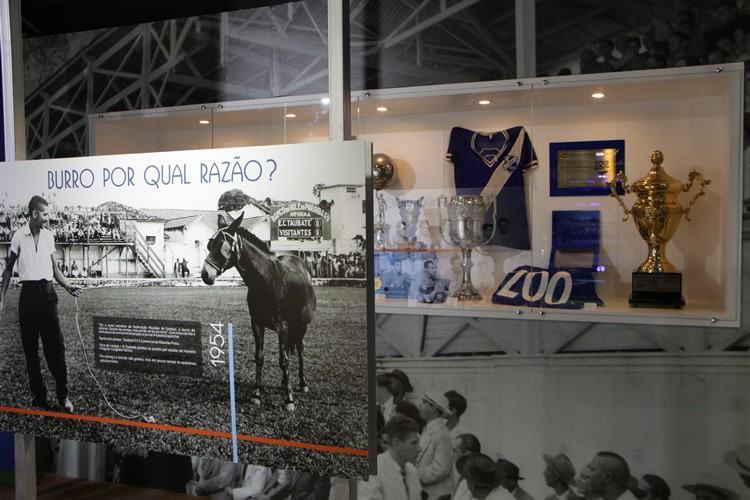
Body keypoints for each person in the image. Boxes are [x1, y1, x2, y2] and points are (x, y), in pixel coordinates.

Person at [0, 195, 80, 412]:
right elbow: (8, 270)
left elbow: (55, 270)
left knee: (56, 349)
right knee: (31, 352)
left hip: (47, 295)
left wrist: (67, 285)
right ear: (35, 214)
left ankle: (63, 397)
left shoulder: (48, 236)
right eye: (45, 214)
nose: (48, 217)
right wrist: (0, 299)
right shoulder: (18, 236)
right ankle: (39, 398)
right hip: (28, 297)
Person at [357, 415, 422, 500]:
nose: (419, 449)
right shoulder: (375, 471)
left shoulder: (412, 471)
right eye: (413, 443)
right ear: (397, 443)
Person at [417, 393, 454, 500]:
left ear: (433, 408)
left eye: (424, 402)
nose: (419, 405)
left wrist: (413, 475)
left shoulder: (442, 433)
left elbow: (441, 469)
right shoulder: (428, 429)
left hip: (436, 495)